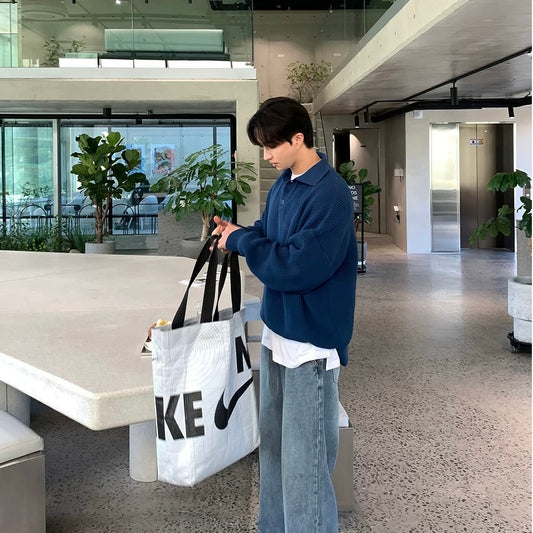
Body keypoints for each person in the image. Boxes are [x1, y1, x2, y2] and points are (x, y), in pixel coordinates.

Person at [213, 96, 357, 533]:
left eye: (271, 145)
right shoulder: (285, 183)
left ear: (298, 139)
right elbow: (268, 234)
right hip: (279, 335)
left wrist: (245, 243)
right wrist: (239, 233)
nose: (266, 155)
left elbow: (296, 267)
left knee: (304, 465)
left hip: (310, 344)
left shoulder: (331, 194)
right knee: (274, 451)